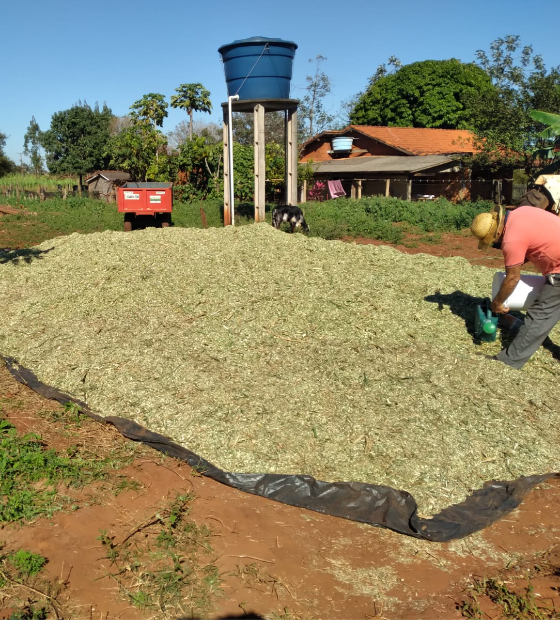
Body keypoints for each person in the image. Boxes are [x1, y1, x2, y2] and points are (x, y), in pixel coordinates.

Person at [470, 204, 560, 368]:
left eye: (492, 241)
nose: (495, 243)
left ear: (497, 233)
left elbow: (513, 278)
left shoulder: (511, 239)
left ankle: (510, 361)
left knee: (540, 315)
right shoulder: (521, 212)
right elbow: (536, 241)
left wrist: (497, 303)